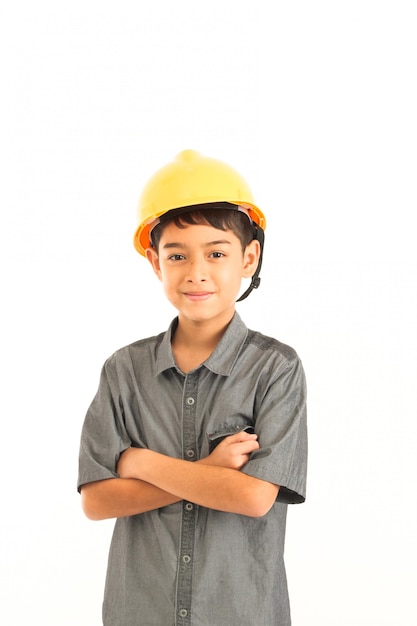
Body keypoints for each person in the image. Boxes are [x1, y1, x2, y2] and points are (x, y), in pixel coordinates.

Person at [77, 149, 308, 626]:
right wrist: (208, 471)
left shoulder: (276, 369)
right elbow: (97, 501)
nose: (196, 271)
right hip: (139, 611)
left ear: (249, 258)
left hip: (242, 612)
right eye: (176, 255)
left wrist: (139, 462)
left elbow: (252, 497)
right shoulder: (124, 371)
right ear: (154, 262)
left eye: (217, 253)